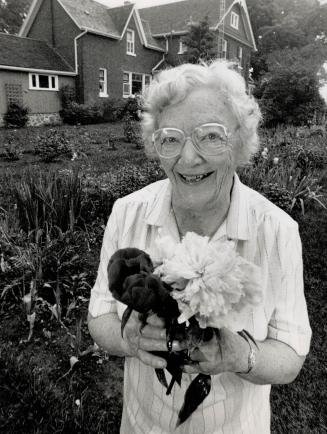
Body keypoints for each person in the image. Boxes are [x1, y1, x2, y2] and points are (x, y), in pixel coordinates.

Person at [88, 60, 312, 433]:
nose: (188, 159)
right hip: (143, 426)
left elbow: (290, 356)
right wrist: (128, 337)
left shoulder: (277, 232)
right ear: (155, 145)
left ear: (239, 142)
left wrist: (242, 356)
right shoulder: (126, 214)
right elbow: (99, 316)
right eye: (171, 138)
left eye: (210, 135)